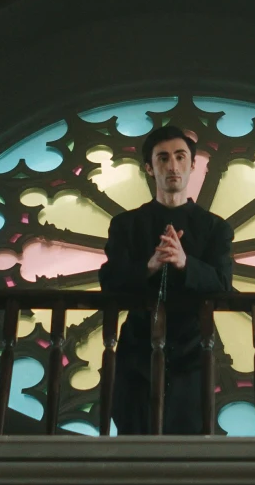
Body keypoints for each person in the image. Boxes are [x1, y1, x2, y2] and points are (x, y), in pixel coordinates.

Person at [97, 124, 234, 434]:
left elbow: (224, 285)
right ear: (149, 167)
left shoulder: (215, 228)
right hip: (136, 348)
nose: (172, 166)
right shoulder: (126, 225)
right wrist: (150, 265)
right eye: (162, 158)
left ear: (192, 164)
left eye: (180, 157)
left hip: (194, 349)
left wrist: (184, 262)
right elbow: (109, 281)